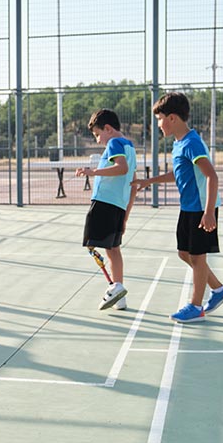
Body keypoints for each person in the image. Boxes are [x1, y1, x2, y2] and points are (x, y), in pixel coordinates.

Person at [132, 92, 223, 323]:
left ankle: (196, 306)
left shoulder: (192, 143)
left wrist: (208, 212)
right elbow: (179, 174)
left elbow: (212, 177)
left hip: (200, 209)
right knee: (184, 253)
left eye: (160, 119)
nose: (158, 124)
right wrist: (149, 181)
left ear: (173, 118)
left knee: (197, 257)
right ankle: (219, 290)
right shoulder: (179, 144)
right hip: (188, 207)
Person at [75, 109, 137, 311]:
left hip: (104, 203)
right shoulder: (130, 147)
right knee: (113, 249)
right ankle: (119, 294)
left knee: (91, 244)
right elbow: (133, 184)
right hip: (118, 206)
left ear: (108, 129)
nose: (98, 140)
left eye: (97, 134)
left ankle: (115, 287)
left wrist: (92, 172)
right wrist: (126, 215)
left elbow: (122, 168)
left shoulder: (114, 143)